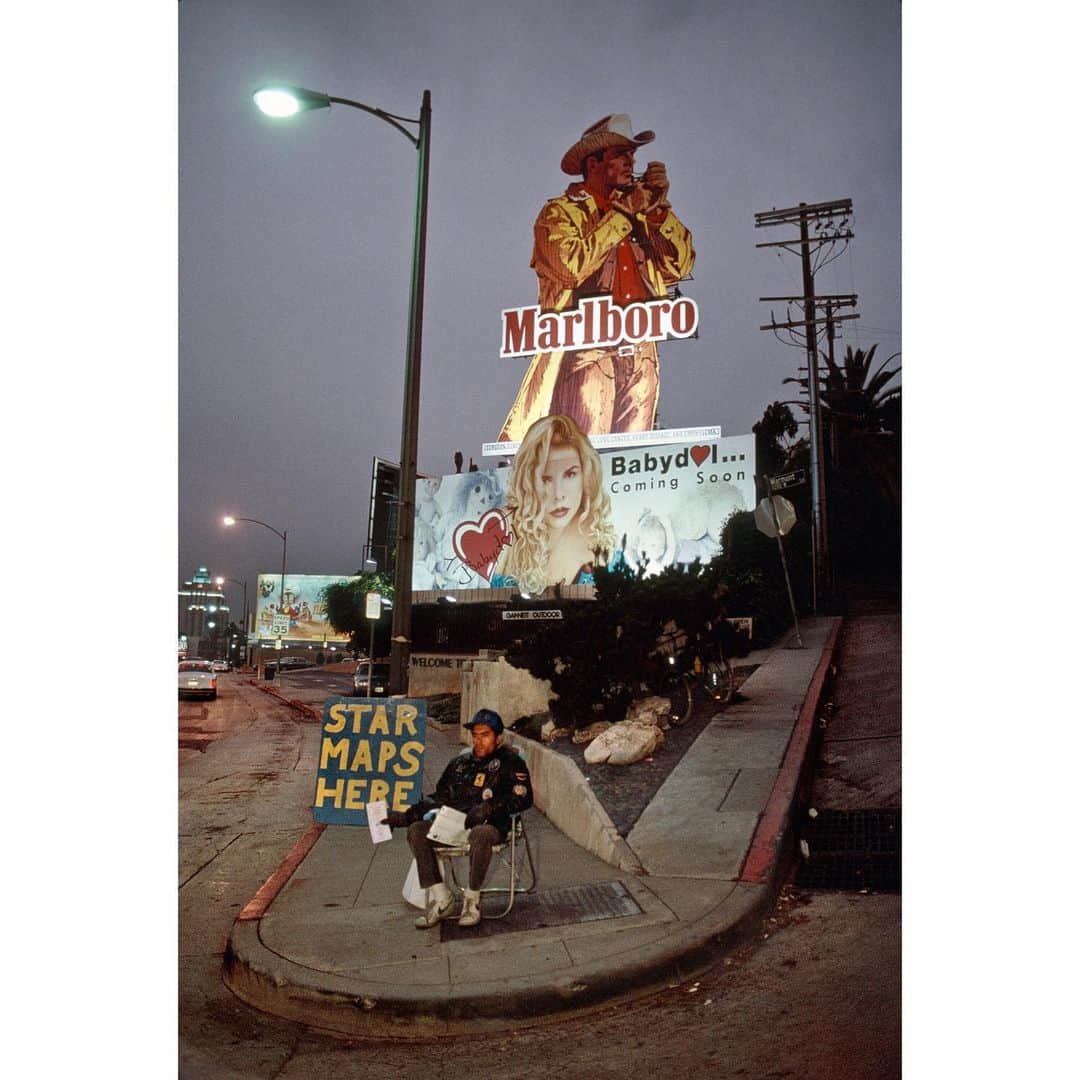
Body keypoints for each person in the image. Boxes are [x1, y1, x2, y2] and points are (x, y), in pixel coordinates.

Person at [498, 114, 695, 442]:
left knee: (633, 455)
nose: (631, 163)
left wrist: (658, 211)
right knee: (584, 454)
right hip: (586, 348)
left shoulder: (640, 210)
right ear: (594, 162)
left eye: (633, 156)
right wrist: (623, 215)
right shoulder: (559, 212)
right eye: (621, 155)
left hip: (641, 347)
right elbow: (570, 267)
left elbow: (681, 265)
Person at [380, 709, 533, 929]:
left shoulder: (511, 762)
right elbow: (439, 797)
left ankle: (472, 901)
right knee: (417, 830)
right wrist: (405, 816)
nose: (478, 741)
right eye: (475, 735)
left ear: (498, 737)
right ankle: (443, 899)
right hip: (455, 823)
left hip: (493, 825)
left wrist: (490, 808)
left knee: (481, 834)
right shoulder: (460, 764)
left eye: (485, 735)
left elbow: (524, 798)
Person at [492, 414, 617, 595]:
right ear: (528, 482)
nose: (558, 495)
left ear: (586, 475)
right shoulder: (508, 536)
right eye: (545, 479)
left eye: (570, 475)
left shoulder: (605, 546)